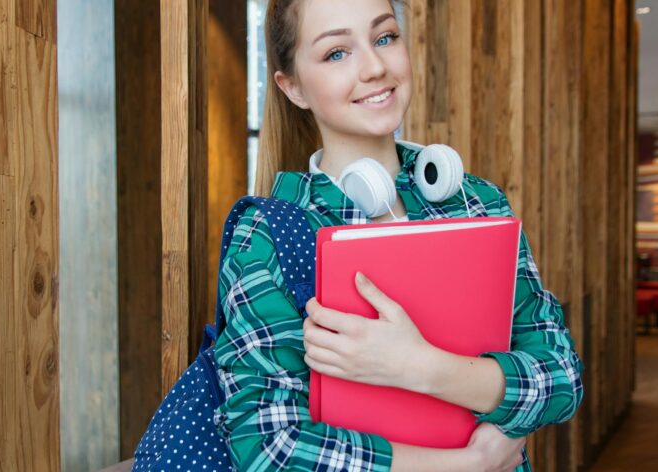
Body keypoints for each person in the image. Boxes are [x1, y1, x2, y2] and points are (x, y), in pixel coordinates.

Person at [212, 0, 584, 470]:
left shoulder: (477, 203)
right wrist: (468, 466)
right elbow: (268, 446)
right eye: (336, 53)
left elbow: (562, 378)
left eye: (385, 37)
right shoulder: (268, 234)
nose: (374, 67)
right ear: (292, 86)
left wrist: (421, 367)